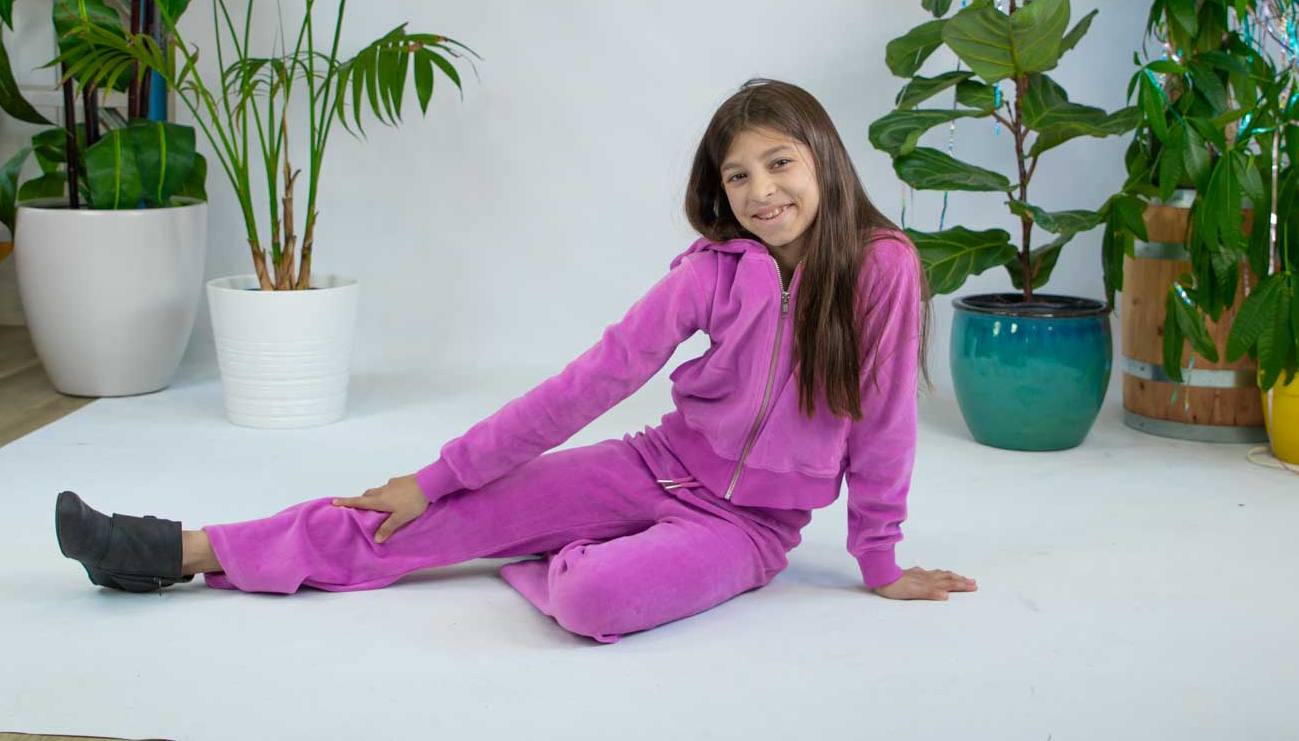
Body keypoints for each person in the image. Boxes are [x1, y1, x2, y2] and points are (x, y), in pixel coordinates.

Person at [55, 78, 978, 644]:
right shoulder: (711, 272)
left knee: (593, 601)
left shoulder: (882, 268)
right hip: (653, 465)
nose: (760, 191)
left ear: (823, 160)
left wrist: (878, 557)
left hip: (749, 527)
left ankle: (554, 552)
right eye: (738, 175)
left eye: (779, 164)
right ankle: (174, 551)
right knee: (421, 517)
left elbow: (885, 421)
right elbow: (589, 384)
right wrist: (437, 478)